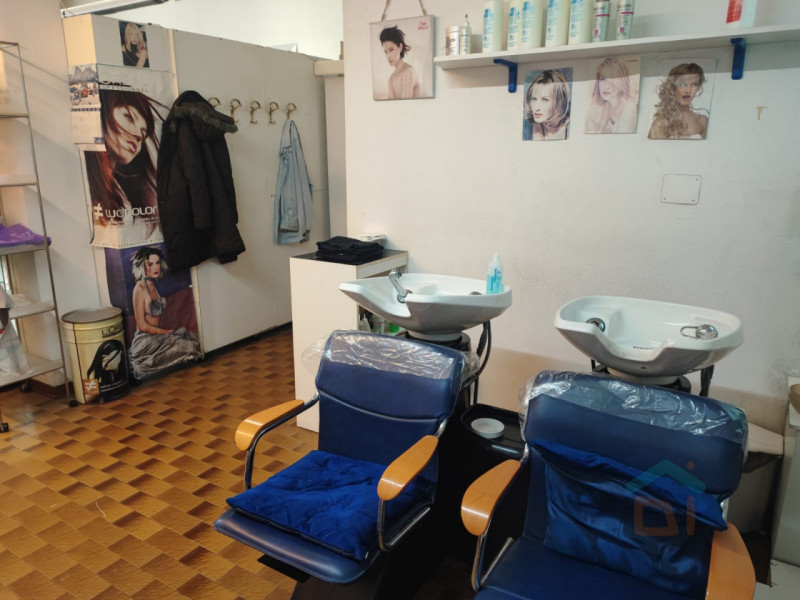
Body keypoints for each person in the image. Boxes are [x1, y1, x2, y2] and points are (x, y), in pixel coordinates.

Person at [85, 90, 164, 242]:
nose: (138, 136)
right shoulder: (86, 181)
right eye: (128, 117)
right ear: (102, 114)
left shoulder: (131, 196)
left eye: (143, 133)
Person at [128, 247, 202, 379]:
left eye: (157, 262)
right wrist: (165, 332)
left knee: (191, 337)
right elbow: (142, 325)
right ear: (141, 266)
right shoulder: (139, 288)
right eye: (150, 264)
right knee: (189, 346)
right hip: (146, 341)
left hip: (158, 336)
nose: (155, 267)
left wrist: (165, 333)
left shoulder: (152, 285)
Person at [648, 63, 709, 140]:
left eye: (694, 84)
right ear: (672, 87)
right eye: (682, 84)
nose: (688, 90)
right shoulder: (660, 124)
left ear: (698, 87)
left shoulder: (702, 121)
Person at [585, 57, 639, 134]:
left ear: (622, 82)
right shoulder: (595, 110)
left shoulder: (629, 110)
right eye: (603, 79)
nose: (606, 86)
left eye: (612, 80)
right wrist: (602, 123)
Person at [524, 70, 571, 140]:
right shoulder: (528, 125)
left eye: (545, 100)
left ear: (559, 102)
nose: (536, 108)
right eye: (534, 99)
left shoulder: (570, 127)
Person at [380, 25, 420, 99]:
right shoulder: (391, 78)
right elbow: (391, 104)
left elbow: (406, 104)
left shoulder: (408, 72)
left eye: (391, 50)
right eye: (386, 52)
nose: (388, 56)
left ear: (400, 47)